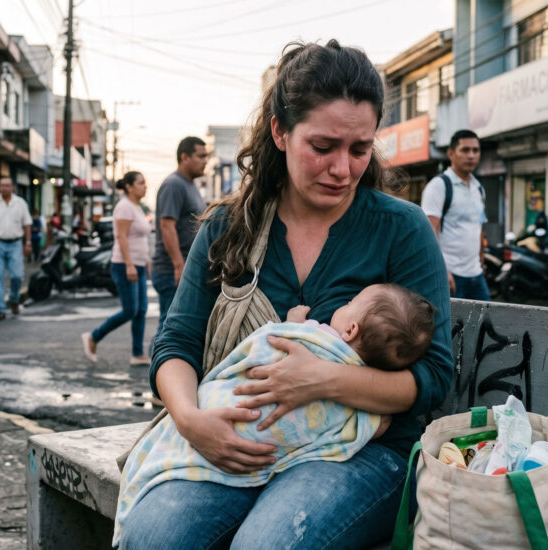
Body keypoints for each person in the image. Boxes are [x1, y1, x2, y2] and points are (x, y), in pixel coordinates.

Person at [119, 40, 452, 549]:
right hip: (233, 440)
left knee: (267, 544)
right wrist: (193, 421)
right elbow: (176, 344)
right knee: (154, 538)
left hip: (358, 452)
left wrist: (324, 380)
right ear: (279, 131)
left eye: (359, 149)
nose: (342, 168)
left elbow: (432, 378)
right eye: (323, 147)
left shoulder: (401, 229)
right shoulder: (231, 226)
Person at [115, 284, 436, 543]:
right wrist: (187, 418)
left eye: (351, 301)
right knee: (154, 539)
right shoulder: (227, 227)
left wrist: (303, 341)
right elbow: (363, 424)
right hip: (218, 430)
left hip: (243, 417)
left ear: (350, 329)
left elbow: (276, 340)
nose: (345, 304)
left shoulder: (315, 334)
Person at [82, 172, 153, 366]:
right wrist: (129, 264)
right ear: (129, 187)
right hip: (124, 265)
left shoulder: (137, 207)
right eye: (141, 183)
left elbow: (137, 238)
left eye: (145, 183)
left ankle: (137, 354)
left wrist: (145, 260)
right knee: (130, 310)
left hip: (137, 264)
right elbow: (121, 237)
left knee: (141, 310)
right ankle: (93, 337)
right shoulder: (124, 207)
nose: (144, 187)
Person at [151, 136, 208, 347]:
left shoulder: (191, 185)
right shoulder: (174, 185)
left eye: (207, 156)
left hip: (185, 267)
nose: (205, 161)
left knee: (177, 326)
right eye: (200, 156)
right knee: (169, 329)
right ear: (184, 157)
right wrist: (178, 265)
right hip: (172, 270)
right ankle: (159, 374)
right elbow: (166, 225)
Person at [421, 129, 490, 301]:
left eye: (476, 150)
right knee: (450, 327)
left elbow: (479, 227)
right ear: (451, 153)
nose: (471, 155)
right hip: (450, 276)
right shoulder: (439, 186)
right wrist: (441, 270)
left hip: (476, 275)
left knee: (484, 326)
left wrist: (481, 261)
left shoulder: (478, 188)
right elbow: (429, 232)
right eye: (465, 150)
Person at [0, 177, 32, 321]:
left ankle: (14, 299)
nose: (4, 188)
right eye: (2, 185)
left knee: (17, 276)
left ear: (13, 188)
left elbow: (27, 224)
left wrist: (28, 243)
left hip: (15, 243)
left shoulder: (20, 204)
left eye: (7, 186)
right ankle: (0, 309)